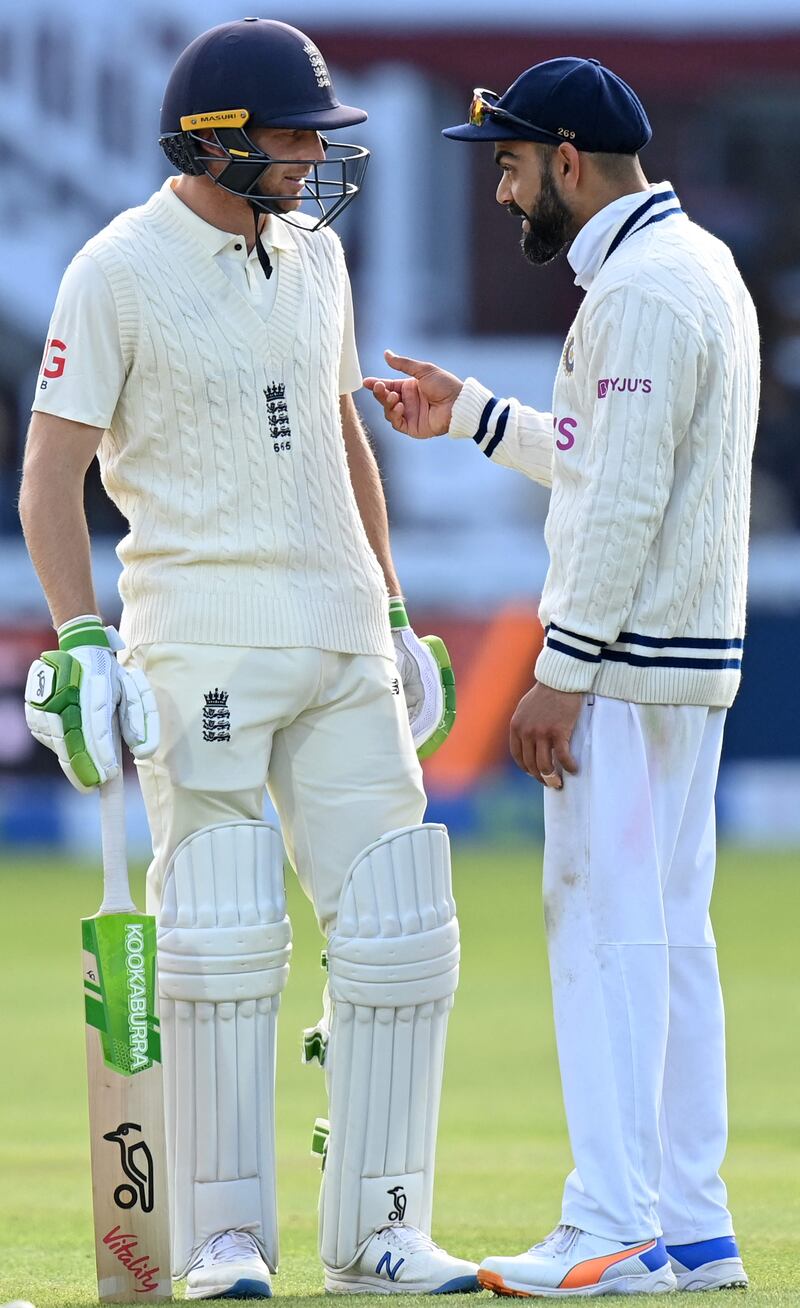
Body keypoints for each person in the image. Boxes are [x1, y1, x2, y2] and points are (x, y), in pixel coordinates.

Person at [20, 18, 472, 1300]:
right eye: (288, 138)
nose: (309, 160)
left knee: (396, 928)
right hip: (199, 630)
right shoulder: (115, 268)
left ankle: (382, 1228)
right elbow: (50, 476)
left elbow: (342, 438)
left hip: (337, 631)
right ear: (212, 140)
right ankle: (223, 1237)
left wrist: (390, 611)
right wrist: (84, 639)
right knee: (216, 938)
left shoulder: (317, 256)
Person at [365, 56, 757, 1299]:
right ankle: (690, 1226)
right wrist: (475, 415)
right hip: (671, 668)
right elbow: (605, 460)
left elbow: (623, 500)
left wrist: (560, 667)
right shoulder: (689, 267)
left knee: (603, 935)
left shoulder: (639, 292)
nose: (500, 194)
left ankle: (614, 1226)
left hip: (628, 673)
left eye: (510, 166)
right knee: (663, 937)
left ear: (567, 163)